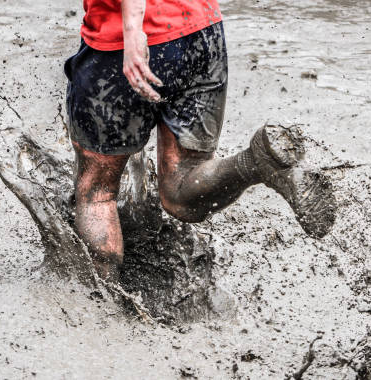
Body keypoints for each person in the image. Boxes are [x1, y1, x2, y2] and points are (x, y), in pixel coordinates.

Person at [64, 0, 337, 281]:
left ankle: (101, 304)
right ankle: (254, 163)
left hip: (124, 44)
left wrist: (134, 31)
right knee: (181, 192)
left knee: (97, 193)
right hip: (201, 31)